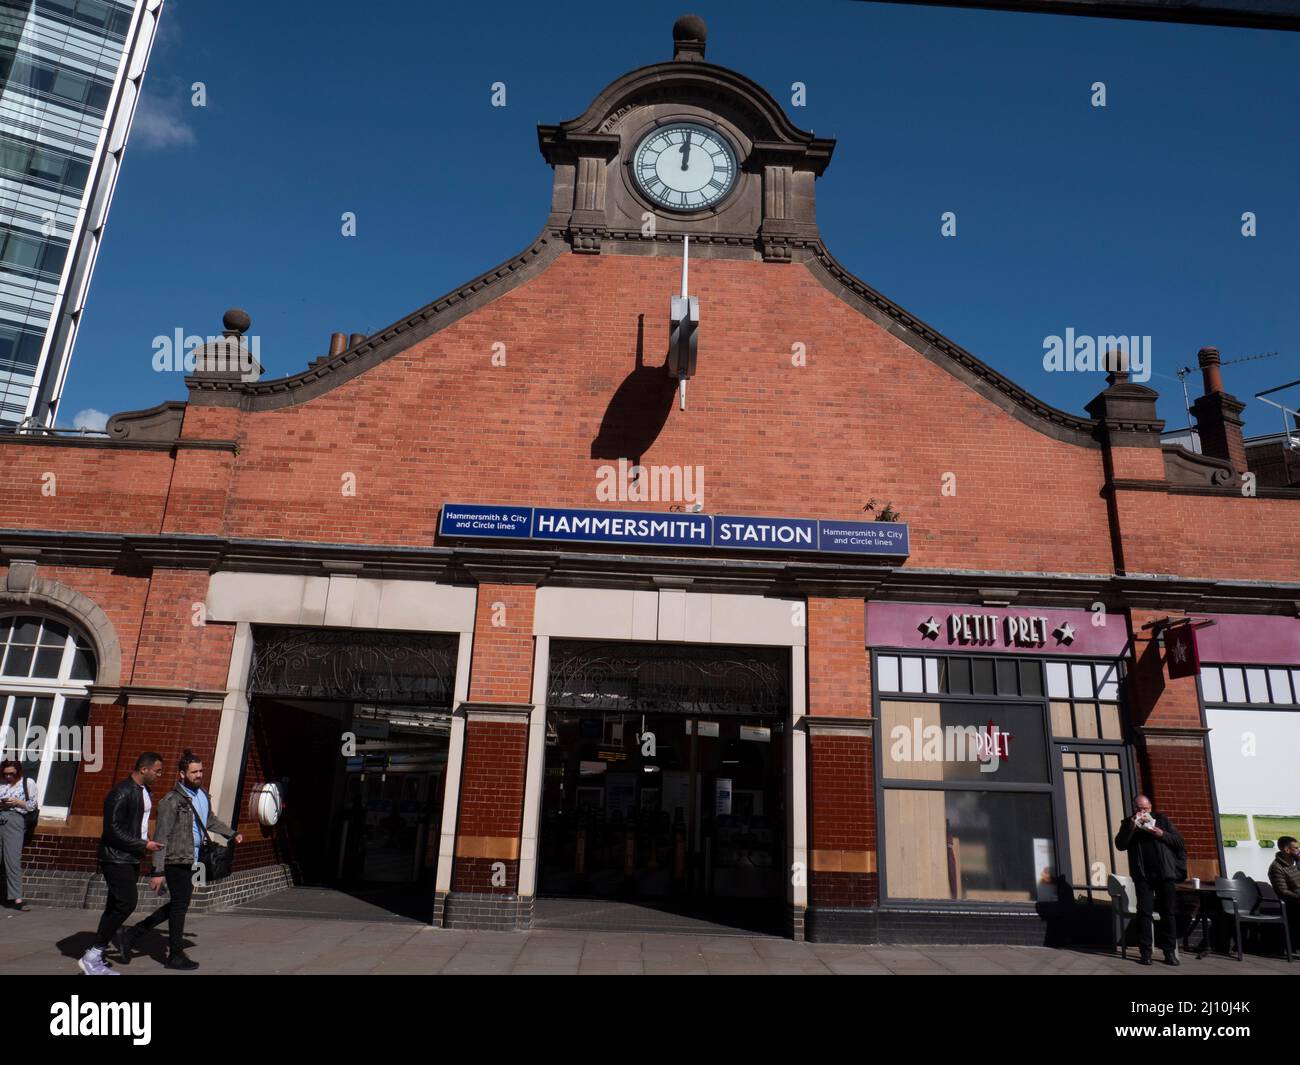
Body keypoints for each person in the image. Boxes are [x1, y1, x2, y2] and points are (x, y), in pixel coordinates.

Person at [121, 750, 242, 971]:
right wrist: (158, 871)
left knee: (180, 902)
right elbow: (161, 835)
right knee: (180, 905)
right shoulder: (172, 800)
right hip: (176, 858)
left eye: (201, 771)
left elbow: (209, 819)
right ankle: (174, 954)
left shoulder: (203, 795)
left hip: (194, 857)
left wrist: (231, 833)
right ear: (182, 774)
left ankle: (133, 933)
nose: (199, 775)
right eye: (194, 771)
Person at [78, 752, 165, 976]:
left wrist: (144, 845)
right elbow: (112, 830)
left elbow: (138, 825)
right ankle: (93, 955)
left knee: (114, 905)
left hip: (131, 856)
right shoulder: (121, 792)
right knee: (127, 903)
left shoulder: (145, 792)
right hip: (115, 857)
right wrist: (143, 844)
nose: (159, 775)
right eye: (157, 771)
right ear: (143, 769)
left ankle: (95, 955)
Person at [1115, 793, 1186, 966]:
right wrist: (1131, 827)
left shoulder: (1162, 820)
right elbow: (1120, 845)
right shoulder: (1127, 823)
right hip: (1143, 876)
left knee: (1168, 913)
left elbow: (1179, 842)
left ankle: (1169, 952)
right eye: (1139, 809)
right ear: (1134, 809)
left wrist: (1161, 834)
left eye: (1145, 809)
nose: (1142, 812)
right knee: (1144, 913)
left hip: (1164, 874)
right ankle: (1145, 952)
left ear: (1151, 808)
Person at [0, 759, 38, 910]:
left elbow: (32, 805)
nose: (8, 777)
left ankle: (17, 899)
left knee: (12, 860)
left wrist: (17, 802)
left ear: (18, 772)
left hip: (15, 820)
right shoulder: (1, 784)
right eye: (5, 774)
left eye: (11, 774)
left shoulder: (27, 783)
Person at [1268, 836, 1300, 936]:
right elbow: (1283, 891)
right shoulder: (1276, 867)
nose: (1299, 850)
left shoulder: (1295, 863)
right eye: (1296, 848)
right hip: (1292, 903)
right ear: (1286, 850)